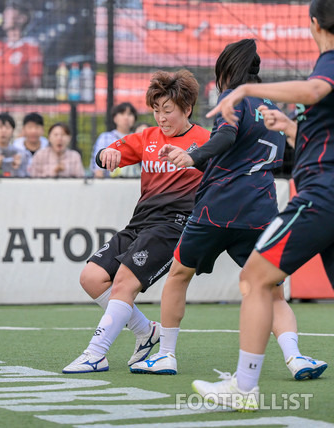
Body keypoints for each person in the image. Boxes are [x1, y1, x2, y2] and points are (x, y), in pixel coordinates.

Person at [130, 39, 327, 382]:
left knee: (178, 276)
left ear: (226, 68)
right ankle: (296, 358)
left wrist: (192, 156)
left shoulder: (232, 97)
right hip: (261, 208)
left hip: (218, 208)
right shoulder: (271, 105)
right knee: (271, 290)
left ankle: (165, 356)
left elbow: (226, 137)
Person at [192, 1, 334, 411]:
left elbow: (312, 91)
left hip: (321, 196)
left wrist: (247, 88)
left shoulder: (327, 66)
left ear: (313, 24)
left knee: (255, 279)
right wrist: (290, 127)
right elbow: (317, 138)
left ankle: (244, 388)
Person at [62, 70, 210, 373]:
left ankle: (96, 353)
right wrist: (106, 154)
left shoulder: (206, 141)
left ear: (187, 108)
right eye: (156, 110)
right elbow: (105, 155)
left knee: (123, 284)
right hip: (139, 223)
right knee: (91, 278)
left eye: (167, 110)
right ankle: (146, 332)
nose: (161, 118)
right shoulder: (147, 138)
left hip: (175, 226)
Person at [90, 102, 137, 178]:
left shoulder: (138, 138)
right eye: (122, 114)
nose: (126, 117)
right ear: (115, 118)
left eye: (130, 114)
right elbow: (97, 168)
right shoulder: (105, 137)